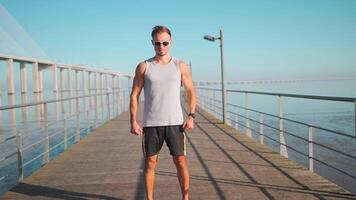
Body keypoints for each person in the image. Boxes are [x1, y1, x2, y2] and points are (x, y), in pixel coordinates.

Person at [130, 25, 196, 200]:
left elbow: (190, 91)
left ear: (170, 42)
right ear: (152, 43)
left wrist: (191, 115)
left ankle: (185, 198)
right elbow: (134, 94)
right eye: (157, 43)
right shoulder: (144, 66)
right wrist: (133, 121)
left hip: (175, 122)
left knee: (180, 161)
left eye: (165, 43)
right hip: (151, 124)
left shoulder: (180, 65)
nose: (161, 47)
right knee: (150, 163)